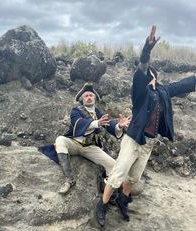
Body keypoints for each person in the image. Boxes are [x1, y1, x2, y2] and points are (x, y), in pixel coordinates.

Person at [95, 25, 196, 227]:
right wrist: (147, 48)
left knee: (133, 178)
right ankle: (102, 205)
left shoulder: (164, 91)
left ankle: (122, 201)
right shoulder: (140, 92)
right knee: (117, 174)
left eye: (150, 73)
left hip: (148, 142)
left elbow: (185, 83)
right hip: (133, 139)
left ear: (155, 77)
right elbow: (141, 67)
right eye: (146, 72)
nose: (147, 74)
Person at [42, 83, 131, 194]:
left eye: (91, 95)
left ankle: (107, 191)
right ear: (82, 99)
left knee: (113, 166)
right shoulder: (76, 110)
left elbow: (110, 125)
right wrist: (96, 123)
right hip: (73, 143)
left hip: (90, 147)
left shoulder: (98, 113)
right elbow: (78, 123)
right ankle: (69, 180)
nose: (89, 98)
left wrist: (119, 126)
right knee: (60, 140)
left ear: (95, 99)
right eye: (86, 96)